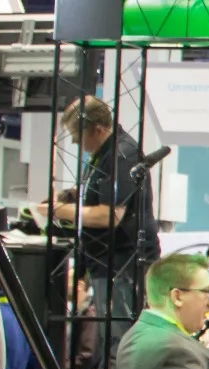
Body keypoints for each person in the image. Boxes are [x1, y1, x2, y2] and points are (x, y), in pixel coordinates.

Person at [41, 97, 158, 355]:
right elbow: (100, 191)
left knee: (121, 342)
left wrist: (60, 211)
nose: (74, 143)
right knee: (110, 340)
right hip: (107, 263)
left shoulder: (121, 155)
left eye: (76, 135)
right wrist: (72, 195)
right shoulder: (104, 155)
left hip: (122, 264)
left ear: (98, 129)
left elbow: (110, 215)